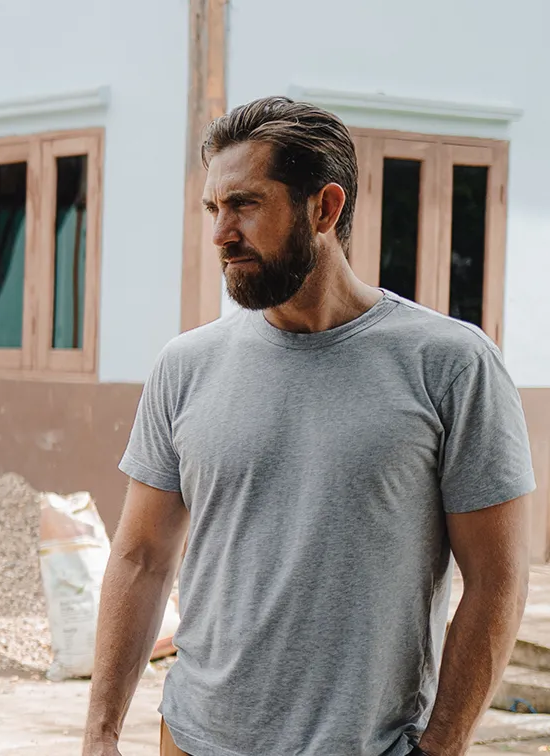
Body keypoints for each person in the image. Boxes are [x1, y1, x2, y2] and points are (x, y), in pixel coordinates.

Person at [82, 96, 534, 756]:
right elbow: (141, 557)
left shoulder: (451, 365)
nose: (221, 233)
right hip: (193, 739)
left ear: (324, 208)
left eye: (245, 204)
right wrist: (101, 732)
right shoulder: (186, 366)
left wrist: (442, 747)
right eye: (213, 208)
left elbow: (498, 581)